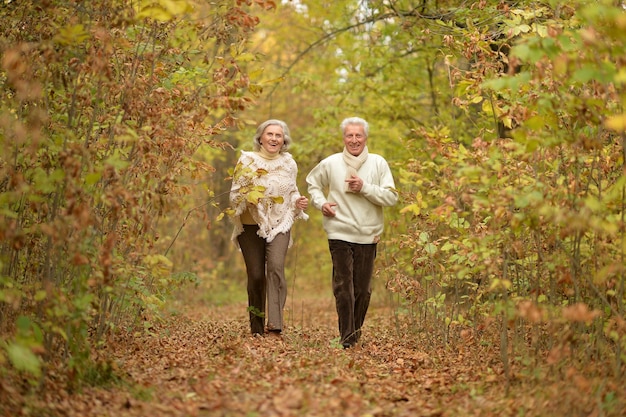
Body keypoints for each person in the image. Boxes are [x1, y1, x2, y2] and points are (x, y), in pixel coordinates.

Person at [306, 117, 398, 348]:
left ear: (366, 138)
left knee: (363, 291)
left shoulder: (378, 163)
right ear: (344, 138)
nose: (354, 140)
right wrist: (321, 203)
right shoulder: (331, 163)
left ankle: (354, 332)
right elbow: (312, 183)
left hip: (368, 234)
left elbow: (391, 197)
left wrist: (364, 187)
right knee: (343, 287)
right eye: (350, 135)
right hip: (338, 231)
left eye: (358, 135)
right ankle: (347, 338)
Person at [230, 119, 309, 338]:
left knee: (275, 267)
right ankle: (256, 327)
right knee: (256, 275)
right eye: (270, 134)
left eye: (278, 135)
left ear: (284, 140)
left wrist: (297, 202)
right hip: (250, 224)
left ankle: (275, 325)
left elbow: (291, 191)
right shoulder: (247, 160)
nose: (274, 138)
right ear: (261, 138)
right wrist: (249, 198)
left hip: (280, 223)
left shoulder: (288, 163)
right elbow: (234, 194)